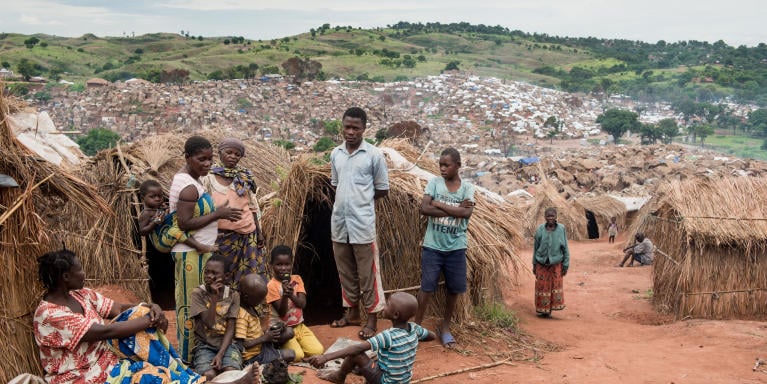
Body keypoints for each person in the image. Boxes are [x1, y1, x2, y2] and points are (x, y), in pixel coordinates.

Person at [32, 249, 207, 384]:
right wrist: (150, 319)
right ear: (66, 277)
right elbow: (107, 331)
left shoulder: (80, 295)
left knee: (140, 313)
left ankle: (181, 373)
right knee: (155, 378)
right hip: (81, 377)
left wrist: (152, 307)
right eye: (80, 269)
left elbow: (120, 308)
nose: (84, 273)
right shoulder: (50, 315)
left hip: (107, 364)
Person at [171, 136, 243, 362]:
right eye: (201, 159)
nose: (207, 164)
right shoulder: (189, 187)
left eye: (210, 159)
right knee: (192, 305)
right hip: (191, 254)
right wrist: (218, 214)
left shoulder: (194, 181)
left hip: (199, 252)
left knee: (198, 303)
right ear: (187, 158)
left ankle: (196, 354)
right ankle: (188, 357)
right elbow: (184, 223)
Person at [329, 107, 390, 340]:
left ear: (364, 129)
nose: (351, 132)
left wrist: (360, 201)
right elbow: (336, 183)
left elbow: (382, 189)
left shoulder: (373, 155)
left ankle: (372, 316)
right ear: (342, 127)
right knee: (345, 271)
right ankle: (351, 312)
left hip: (362, 223)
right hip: (339, 222)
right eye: (347, 127)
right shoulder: (336, 154)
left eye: (356, 128)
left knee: (368, 273)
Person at [413, 147, 475, 349]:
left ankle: (445, 327)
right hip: (433, 246)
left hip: (456, 248)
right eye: (440, 164)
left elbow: (466, 214)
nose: (442, 168)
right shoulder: (434, 183)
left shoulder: (467, 188)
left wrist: (438, 204)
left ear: (458, 165)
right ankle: (416, 327)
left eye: (446, 165)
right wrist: (455, 210)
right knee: (426, 286)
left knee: (454, 289)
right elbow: (424, 208)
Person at [304, 292, 435, 384]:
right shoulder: (415, 329)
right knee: (376, 356)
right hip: (403, 380)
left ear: (395, 315)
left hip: (386, 381)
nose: (384, 306)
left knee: (357, 355)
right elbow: (432, 336)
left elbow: (357, 349)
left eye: (387, 304)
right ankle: (360, 370)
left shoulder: (388, 336)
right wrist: (411, 342)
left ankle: (339, 376)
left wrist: (326, 357)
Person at [203, 138, 267, 288]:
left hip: (246, 234)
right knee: (219, 276)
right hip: (219, 236)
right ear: (219, 153)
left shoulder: (244, 178)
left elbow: (252, 207)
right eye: (229, 152)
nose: (232, 156)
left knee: (247, 276)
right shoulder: (208, 177)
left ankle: (242, 308)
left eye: (237, 154)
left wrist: (259, 232)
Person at [266, 245, 324, 361]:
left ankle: (296, 343)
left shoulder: (297, 279)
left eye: (287, 264)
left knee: (318, 351)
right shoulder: (271, 286)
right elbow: (282, 313)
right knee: (297, 356)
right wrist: (285, 296)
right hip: (284, 330)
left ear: (291, 264)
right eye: (279, 264)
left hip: (300, 326)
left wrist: (291, 295)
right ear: (271, 265)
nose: (283, 268)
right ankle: (275, 348)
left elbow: (302, 304)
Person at [190, 255, 242, 380]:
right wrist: (214, 297)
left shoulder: (233, 295)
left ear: (226, 276)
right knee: (209, 375)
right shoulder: (198, 293)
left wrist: (220, 354)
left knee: (231, 372)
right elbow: (209, 323)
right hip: (205, 345)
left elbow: (230, 329)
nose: (209, 276)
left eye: (214, 273)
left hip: (227, 345)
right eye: (207, 272)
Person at [137, 179, 217, 254]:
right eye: (153, 196)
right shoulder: (146, 213)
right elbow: (142, 232)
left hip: (167, 234)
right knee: (175, 231)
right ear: (142, 198)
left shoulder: (159, 208)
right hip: (160, 243)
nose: (157, 199)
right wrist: (155, 222)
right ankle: (199, 247)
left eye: (160, 196)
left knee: (182, 219)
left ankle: (202, 234)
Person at [236, 274, 296, 365]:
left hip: (261, 344)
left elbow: (254, 331)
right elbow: (242, 345)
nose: (262, 301)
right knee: (291, 354)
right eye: (259, 299)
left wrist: (271, 331)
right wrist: (264, 338)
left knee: (289, 331)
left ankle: (273, 352)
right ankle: (270, 359)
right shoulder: (241, 317)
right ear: (246, 297)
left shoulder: (249, 306)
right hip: (254, 356)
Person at [533, 207, 570, 318]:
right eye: (548, 216)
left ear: (556, 217)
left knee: (554, 286)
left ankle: (550, 309)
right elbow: (535, 248)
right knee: (542, 286)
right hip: (541, 263)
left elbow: (565, 248)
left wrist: (566, 264)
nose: (550, 218)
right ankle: (544, 310)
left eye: (552, 216)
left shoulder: (561, 229)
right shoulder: (540, 229)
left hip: (556, 264)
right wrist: (534, 264)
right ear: (545, 217)